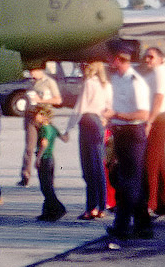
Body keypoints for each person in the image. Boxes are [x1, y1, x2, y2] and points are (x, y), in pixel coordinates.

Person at [105, 45, 153, 240]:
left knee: (128, 182)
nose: (108, 60)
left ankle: (122, 226)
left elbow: (143, 113)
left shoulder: (136, 82)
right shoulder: (115, 79)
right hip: (120, 133)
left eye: (111, 57)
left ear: (119, 58)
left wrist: (116, 114)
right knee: (131, 180)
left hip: (133, 133)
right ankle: (143, 226)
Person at [66, 59, 112, 220]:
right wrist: (105, 120)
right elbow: (110, 106)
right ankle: (101, 206)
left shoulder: (90, 83)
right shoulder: (106, 85)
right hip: (99, 122)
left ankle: (91, 207)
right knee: (99, 166)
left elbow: (80, 106)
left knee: (88, 168)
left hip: (87, 121)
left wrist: (68, 128)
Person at [19, 65, 62, 185]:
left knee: (44, 147)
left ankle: (48, 175)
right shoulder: (30, 83)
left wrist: (41, 101)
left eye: (33, 71)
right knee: (29, 147)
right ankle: (25, 175)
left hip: (44, 118)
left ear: (39, 70)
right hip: (31, 118)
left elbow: (58, 100)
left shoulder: (49, 82)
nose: (31, 74)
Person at [142, 47, 165, 217]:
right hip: (160, 117)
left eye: (151, 57)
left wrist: (149, 121)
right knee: (160, 162)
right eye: (146, 57)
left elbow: (159, 97)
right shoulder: (157, 72)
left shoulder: (159, 72)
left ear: (161, 59)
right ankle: (160, 202)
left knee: (152, 161)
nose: (148, 60)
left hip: (159, 118)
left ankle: (151, 202)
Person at [32, 107, 65, 222]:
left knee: (45, 187)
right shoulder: (52, 127)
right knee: (48, 185)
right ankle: (47, 212)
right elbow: (65, 138)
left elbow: (43, 143)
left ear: (44, 116)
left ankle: (59, 208)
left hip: (45, 159)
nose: (36, 117)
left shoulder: (44, 129)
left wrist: (38, 158)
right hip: (51, 159)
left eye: (38, 115)